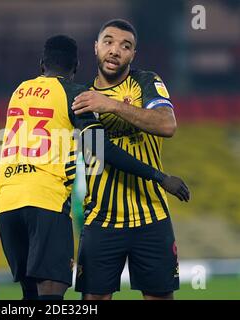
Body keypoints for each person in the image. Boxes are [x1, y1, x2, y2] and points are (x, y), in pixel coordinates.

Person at [0, 35, 189, 300]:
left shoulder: (19, 92)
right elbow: (101, 150)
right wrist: (158, 176)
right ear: (75, 67)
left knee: (30, 294)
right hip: (44, 203)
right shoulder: (75, 95)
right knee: (51, 293)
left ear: (41, 65)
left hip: (7, 204)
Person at [72, 19, 183, 300]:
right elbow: (98, 154)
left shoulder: (147, 82)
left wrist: (109, 104)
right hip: (101, 220)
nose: (115, 51)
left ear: (133, 55)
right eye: (108, 42)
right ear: (96, 47)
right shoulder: (81, 99)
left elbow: (167, 125)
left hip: (151, 216)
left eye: (125, 46)